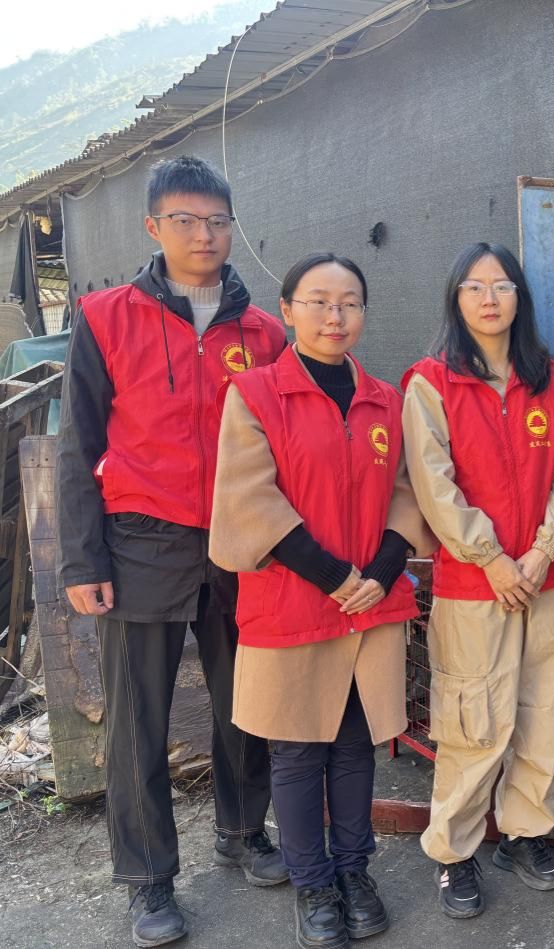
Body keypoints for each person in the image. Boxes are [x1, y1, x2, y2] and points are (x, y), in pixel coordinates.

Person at [56, 156, 289, 947]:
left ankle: (243, 830)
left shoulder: (263, 333)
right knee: (137, 720)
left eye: (217, 221)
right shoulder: (105, 317)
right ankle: (148, 874)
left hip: (239, 545)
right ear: (153, 226)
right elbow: (78, 443)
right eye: (185, 220)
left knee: (245, 703)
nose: (204, 235)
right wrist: (82, 560)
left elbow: (286, 445)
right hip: (141, 543)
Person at [209, 253, 435, 948]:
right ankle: (312, 884)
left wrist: (384, 569)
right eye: (318, 301)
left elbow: (406, 491)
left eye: (349, 302)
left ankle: (354, 871)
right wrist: (336, 575)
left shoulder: (385, 399)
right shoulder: (255, 394)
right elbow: (251, 500)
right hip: (293, 601)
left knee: (357, 745)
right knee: (299, 750)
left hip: (369, 602)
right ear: (287, 310)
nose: (335, 316)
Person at [401, 242, 554, 919]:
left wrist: (541, 553)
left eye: (502, 285)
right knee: (472, 721)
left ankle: (526, 833)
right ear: (455, 299)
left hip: (545, 580)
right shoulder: (430, 383)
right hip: (474, 584)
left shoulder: (547, 377)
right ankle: (454, 853)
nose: (489, 298)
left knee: (543, 710)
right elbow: (434, 487)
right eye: (475, 287)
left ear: (519, 298)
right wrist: (492, 558)